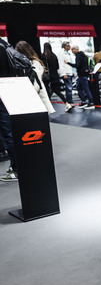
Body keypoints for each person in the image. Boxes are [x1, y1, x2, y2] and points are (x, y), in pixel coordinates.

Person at [14, 41, 55, 115]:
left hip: (34, 94)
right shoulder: (35, 62)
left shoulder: (33, 63)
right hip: (36, 93)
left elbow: (36, 81)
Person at [0, 38, 17, 181]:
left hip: (2, 94)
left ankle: (17, 169)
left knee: (8, 134)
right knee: (9, 133)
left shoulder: (1, 48)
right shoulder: (5, 45)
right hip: (9, 91)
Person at [40, 42, 72, 111]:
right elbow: (57, 66)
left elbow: (43, 66)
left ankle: (47, 108)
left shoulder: (43, 56)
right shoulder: (54, 55)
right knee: (57, 91)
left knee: (47, 92)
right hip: (55, 75)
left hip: (47, 77)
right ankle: (67, 103)